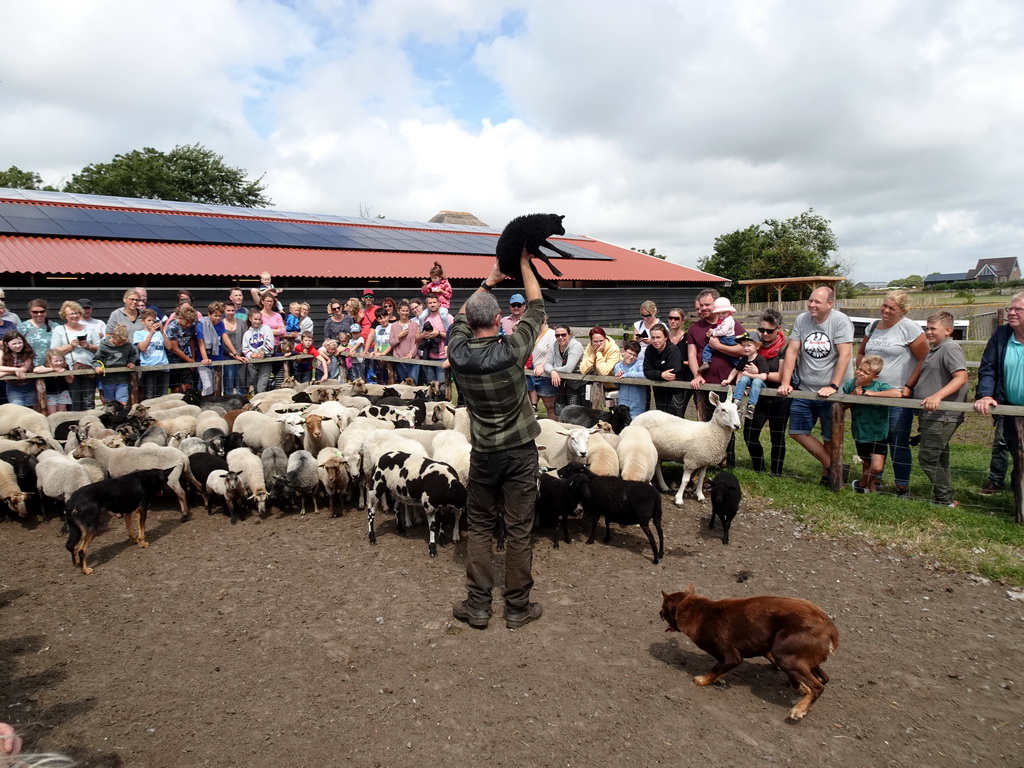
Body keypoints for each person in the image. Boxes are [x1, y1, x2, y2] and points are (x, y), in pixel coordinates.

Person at [448, 247, 544, 630]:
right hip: (520, 452)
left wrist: (488, 279)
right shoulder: (512, 350)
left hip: (484, 453)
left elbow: (458, 316)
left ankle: (478, 606)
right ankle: (517, 608)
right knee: (519, 529)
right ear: (499, 319)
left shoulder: (457, 352)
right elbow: (535, 307)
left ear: (471, 322)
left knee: (481, 527)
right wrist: (522, 263)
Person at [777, 287, 854, 484]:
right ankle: (834, 466)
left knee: (830, 435)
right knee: (797, 431)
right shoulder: (802, 319)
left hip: (830, 389)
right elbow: (792, 351)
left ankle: (828, 475)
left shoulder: (839, 321)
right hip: (805, 387)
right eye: (810, 300)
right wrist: (786, 382)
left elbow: (845, 354)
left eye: (817, 302)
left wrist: (834, 386)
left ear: (830, 304)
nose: (812, 305)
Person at [855, 289, 928, 496]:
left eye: (891, 308)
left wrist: (909, 386)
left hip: (897, 395)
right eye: (884, 305)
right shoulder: (873, 327)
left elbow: (924, 358)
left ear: (902, 311)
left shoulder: (910, 329)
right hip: (871, 394)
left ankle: (901, 485)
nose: (885, 311)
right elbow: (861, 352)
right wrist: (861, 376)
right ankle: (872, 481)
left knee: (898, 440)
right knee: (874, 438)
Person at [974, 291, 1024, 508]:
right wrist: (986, 394)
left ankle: (1019, 491)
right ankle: (999, 481)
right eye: (1010, 308)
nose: (1011, 312)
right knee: (1005, 444)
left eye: (1018, 309)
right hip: (1007, 403)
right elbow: (988, 368)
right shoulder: (1002, 335)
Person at [916, 311, 969, 507]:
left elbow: (961, 376)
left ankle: (945, 499)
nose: (928, 332)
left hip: (943, 415)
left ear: (948, 330)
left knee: (928, 458)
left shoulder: (950, 348)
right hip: (933, 414)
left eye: (933, 329)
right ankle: (944, 497)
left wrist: (937, 396)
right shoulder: (936, 349)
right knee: (939, 457)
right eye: (926, 328)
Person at [741, 308, 791, 477]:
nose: (765, 334)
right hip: (759, 397)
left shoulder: (785, 347)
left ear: (779, 329)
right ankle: (759, 467)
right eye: (761, 330)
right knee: (749, 434)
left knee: (777, 436)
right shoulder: (755, 346)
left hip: (779, 397)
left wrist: (759, 374)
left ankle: (776, 472)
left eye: (769, 331)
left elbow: (783, 376)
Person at [843, 355, 904, 493]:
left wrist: (873, 394)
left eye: (866, 372)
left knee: (877, 467)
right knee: (867, 465)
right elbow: (843, 406)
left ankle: (860, 484)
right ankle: (871, 491)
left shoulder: (880, 386)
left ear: (875, 376)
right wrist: (853, 395)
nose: (861, 373)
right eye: (860, 369)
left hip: (878, 433)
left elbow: (897, 394)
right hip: (861, 432)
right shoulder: (850, 385)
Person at [50, 300, 102, 411]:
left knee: (88, 401)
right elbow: (54, 351)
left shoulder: (89, 329)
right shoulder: (59, 330)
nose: (74, 316)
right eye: (71, 314)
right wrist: (71, 346)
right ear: (65, 315)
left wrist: (88, 346)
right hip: (70, 370)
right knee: (74, 401)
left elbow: (100, 348)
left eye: (77, 313)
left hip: (88, 368)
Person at [196, 302, 246, 395]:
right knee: (208, 386)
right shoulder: (201, 325)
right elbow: (201, 342)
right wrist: (205, 358)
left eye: (219, 316)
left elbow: (226, 339)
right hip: (204, 359)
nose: (218, 318)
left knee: (219, 386)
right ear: (209, 314)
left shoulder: (221, 324)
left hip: (218, 358)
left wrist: (235, 354)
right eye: (215, 316)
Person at [538, 325, 583, 420]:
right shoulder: (554, 345)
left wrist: (553, 369)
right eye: (557, 335)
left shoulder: (576, 346)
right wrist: (552, 371)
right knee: (561, 411)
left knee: (575, 413)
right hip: (562, 383)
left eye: (563, 334)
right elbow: (547, 364)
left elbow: (568, 369)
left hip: (577, 383)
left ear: (569, 335)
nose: (560, 337)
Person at [725, 331, 769, 419]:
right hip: (749, 383)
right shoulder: (744, 359)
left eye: (749, 345)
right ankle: (737, 401)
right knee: (744, 378)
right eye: (743, 345)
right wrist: (728, 380)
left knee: (755, 380)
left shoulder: (760, 359)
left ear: (757, 346)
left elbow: (764, 376)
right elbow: (735, 370)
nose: (746, 348)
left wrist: (748, 374)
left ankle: (751, 406)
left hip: (760, 384)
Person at [92, 323, 139, 405]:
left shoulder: (128, 346)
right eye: (118, 342)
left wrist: (131, 362)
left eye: (123, 342)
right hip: (108, 379)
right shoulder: (104, 346)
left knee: (123, 401)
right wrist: (97, 367)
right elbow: (96, 359)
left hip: (122, 378)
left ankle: (121, 416)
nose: (120, 344)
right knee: (110, 403)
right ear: (113, 336)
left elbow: (133, 355)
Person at [643, 323, 684, 413]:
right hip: (659, 389)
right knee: (661, 419)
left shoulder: (673, 350)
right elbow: (646, 370)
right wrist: (661, 374)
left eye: (658, 337)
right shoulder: (649, 350)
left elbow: (672, 372)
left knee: (674, 419)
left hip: (675, 390)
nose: (655, 341)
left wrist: (654, 373)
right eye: (653, 337)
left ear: (665, 337)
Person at [416, 294, 451, 393]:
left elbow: (452, 336)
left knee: (442, 388)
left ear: (439, 303)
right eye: (430, 303)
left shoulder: (447, 317)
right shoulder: (424, 319)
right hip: (428, 357)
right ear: (426, 304)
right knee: (431, 388)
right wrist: (424, 335)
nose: (432, 305)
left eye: (434, 302)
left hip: (442, 357)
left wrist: (438, 333)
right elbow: (417, 337)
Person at [134, 309, 170, 399]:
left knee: (163, 395)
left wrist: (162, 332)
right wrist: (150, 334)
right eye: (149, 320)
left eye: (153, 320)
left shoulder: (161, 333)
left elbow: (169, 347)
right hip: (149, 367)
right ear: (143, 321)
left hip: (163, 366)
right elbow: (142, 348)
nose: (151, 322)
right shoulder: (139, 333)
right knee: (149, 395)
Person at [164, 305, 199, 392]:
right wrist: (189, 361)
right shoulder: (172, 327)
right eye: (186, 322)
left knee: (187, 386)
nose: (188, 325)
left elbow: (191, 340)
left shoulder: (192, 326)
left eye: (190, 323)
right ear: (181, 317)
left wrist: (193, 357)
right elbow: (174, 348)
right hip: (172, 360)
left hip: (186, 357)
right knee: (176, 388)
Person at [698, 296, 739, 372]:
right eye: (719, 313)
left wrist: (714, 333)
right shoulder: (723, 319)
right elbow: (719, 327)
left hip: (726, 338)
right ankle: (739, 366)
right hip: (728, 338)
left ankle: (705, 362)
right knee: (732, 355)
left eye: (723, 313)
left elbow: (723, 331)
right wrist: (713, 330)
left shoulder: (728, 320)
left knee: (708, 347)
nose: (721, 315)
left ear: (729, 311)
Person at [242, 309, 275, 394]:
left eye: (259, 319)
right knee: (255, 386)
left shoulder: (266, 329)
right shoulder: (247, 333)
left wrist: (262, 352)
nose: (257, 321)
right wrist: (251, 355)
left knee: (261, 387)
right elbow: (245, 348)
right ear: (250, 319)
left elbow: (270, 343)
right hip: (253, 362)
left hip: (265, 359)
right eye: (255, 319)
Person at [613, 340, 648, 418]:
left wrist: (627, 375)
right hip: (623, 405)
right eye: (630, 353)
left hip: (637, 406)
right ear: (623, 352)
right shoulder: (618, 366)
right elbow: (617, 385)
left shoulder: (640, 364)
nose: (632, 357)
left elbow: (645, 374)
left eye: (635, 355)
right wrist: (617, 377)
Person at [0, 330, 36, 407]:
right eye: (14, 343)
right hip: (13, 387)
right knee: (16, 409)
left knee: (32, 410)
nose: (18, 345)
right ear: (6, 344)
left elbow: (23, 369)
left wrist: (4, 373)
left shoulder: (28, 352)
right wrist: (15, 370)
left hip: (30, 385)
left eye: (20, 342)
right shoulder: (2, 353)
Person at [18, 299, 58, 367]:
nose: (39, 314)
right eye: (35, 312)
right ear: (30, 312)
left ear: (46, 311)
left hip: (51, 366)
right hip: (29, 366)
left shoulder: (55, 327)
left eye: (42, 311)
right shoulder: (23, 327)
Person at [33, 349, 74, 414]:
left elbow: (70, 381)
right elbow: (36, 370)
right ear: (49, 361)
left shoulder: (65, 367)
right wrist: (53, 369)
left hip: (62, 392)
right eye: (56, 361)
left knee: (61, 413)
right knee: (52, 414)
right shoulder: (46, 366)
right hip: (50, 394)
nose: (59, 363)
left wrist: (66, 373)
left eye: (61, 360)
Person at [389, 301, 420, 382]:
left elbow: (418, 342)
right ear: (398, 311)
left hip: (413, 360)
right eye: (403, 310)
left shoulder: (415, 325)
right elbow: (391, 343)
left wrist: (411, 354)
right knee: (403, 385)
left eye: (407, 311)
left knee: (413, 383)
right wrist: (399, 336)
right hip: (399, 360)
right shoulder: (394, 326)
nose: (405, 313)